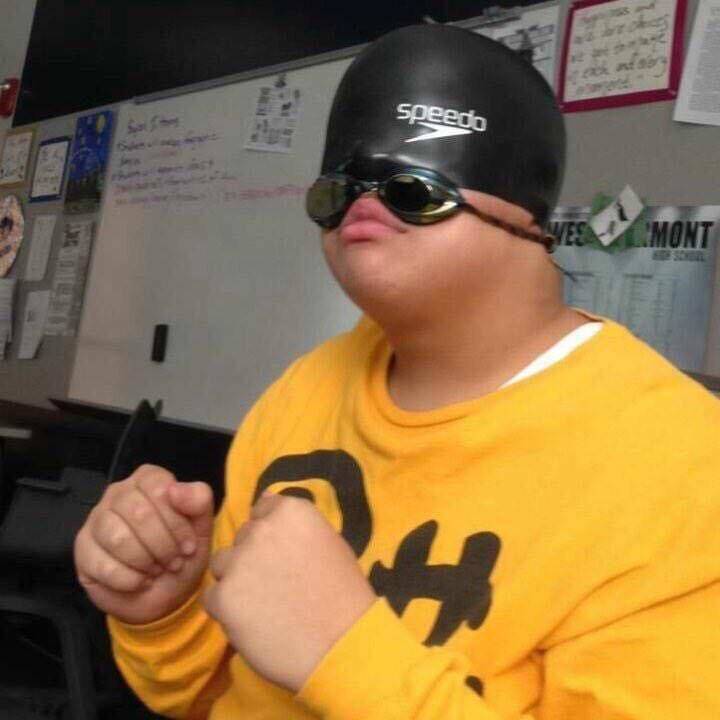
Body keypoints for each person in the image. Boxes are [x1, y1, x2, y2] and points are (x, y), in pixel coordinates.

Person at [73, 24, 720, 720]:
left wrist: (343, 656)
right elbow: (209, 696)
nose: (363, 206)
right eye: (338, 191)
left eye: (412, 189)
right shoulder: (305, 389)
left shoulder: (683, 468)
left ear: (529, 222)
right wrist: (166, 613)